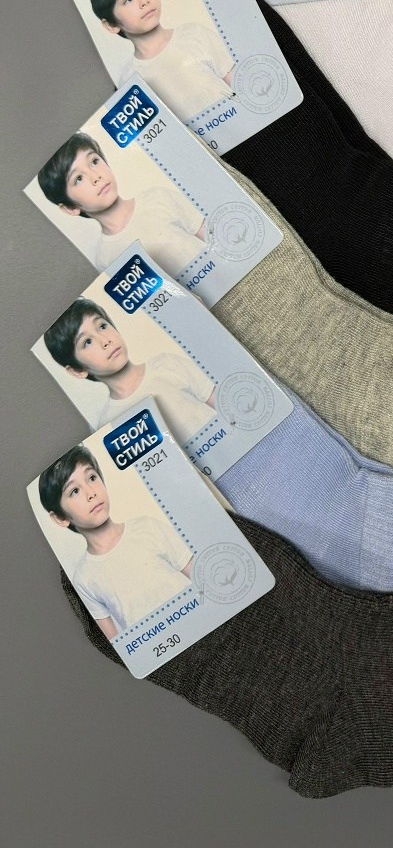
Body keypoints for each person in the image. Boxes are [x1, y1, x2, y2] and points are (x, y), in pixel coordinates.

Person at [39, 445, 193, 638]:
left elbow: (200, 577)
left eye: (92, 478)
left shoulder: (147, 527)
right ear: (60, 518)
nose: (91, 492)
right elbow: (116, 641)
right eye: (75, 491)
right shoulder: (84, 578)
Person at [44, 298, 217, 445]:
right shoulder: (108, 424)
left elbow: (221, 403)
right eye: (87, 342)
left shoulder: (167, 364)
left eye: (102, 326)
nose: (105, 340)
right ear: (77, 370)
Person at [89, 0, 234, 119]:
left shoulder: (195, 34)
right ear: (111, 25)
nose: (144, 0)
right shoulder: (129, 81)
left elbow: (239, 86)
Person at [37, 133, 206, 273]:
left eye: (94, 162)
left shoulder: (158, 198)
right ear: (70, 208)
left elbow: (211, 236)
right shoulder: (105, 258)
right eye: (78, 178)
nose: (95, 177)